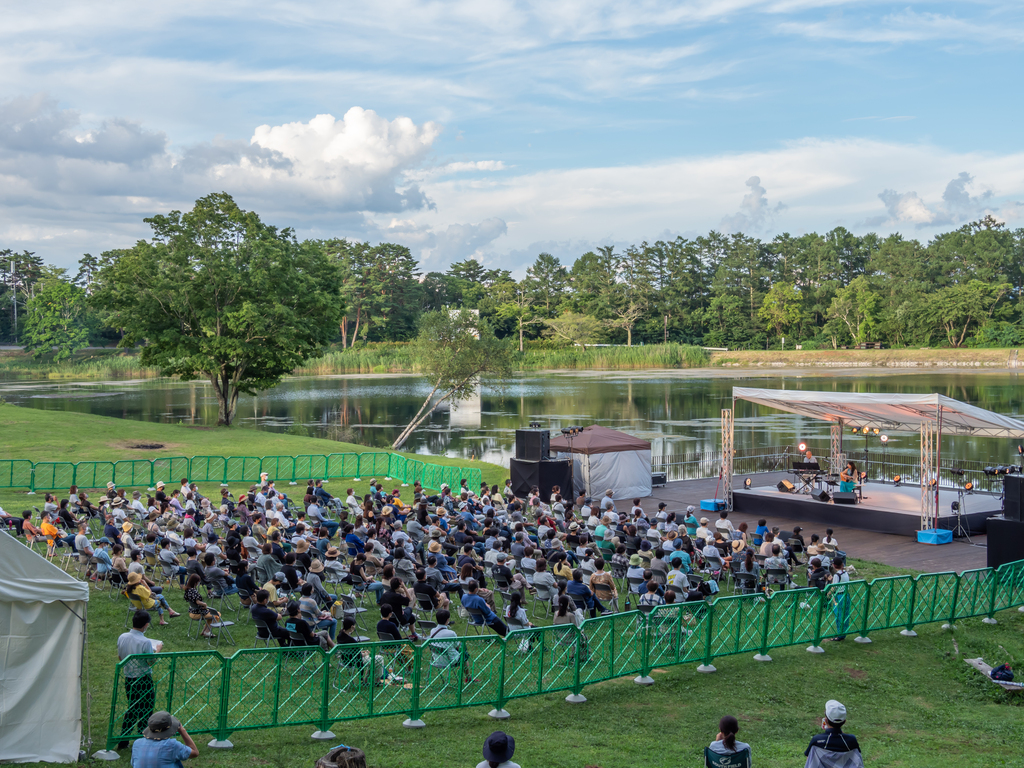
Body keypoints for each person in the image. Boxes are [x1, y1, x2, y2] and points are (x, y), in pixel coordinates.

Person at [117, 610, 162, 749]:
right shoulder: (145, 642)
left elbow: (120, 657)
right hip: (143, 679)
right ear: (146, 625)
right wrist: (158, 650)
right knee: (146, 709)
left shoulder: (122, 637)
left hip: (129, 678)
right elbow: (150, 661)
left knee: (132, 708)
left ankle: (124, 740)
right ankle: (144, 739)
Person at [804, 700, 863, 768]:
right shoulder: (851, 740)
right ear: (844, 721)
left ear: (825, 720)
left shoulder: (817, 740)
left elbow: (809, 759)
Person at [130, 710, 198, 768]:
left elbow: (134, 763)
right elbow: (195, 753)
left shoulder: (137, 743)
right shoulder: (172, 745)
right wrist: (182, 730)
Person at [183, 574, 220, 638]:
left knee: (210, 614)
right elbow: (197, 601)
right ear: (195, 582)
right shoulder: (193, 591)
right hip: (198, 613)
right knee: (217, 614)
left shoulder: (187, 590)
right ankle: (207, 631)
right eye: (198, 582)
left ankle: (204, 631)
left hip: (192, 611)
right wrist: (204, 604)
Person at [828, 557, 851, 641]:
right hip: (846, 595)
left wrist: (828, 593)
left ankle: (840, 634)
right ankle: (843, 633)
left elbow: (834, 587)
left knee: (839, 615)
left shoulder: (836, 575)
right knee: (845, 615)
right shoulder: (845, 572)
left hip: (839, 596)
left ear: (834, 565)